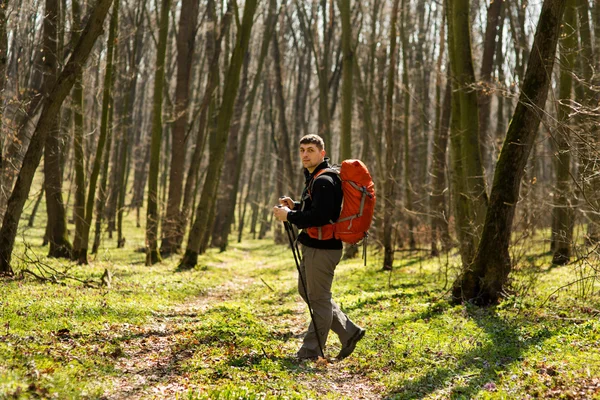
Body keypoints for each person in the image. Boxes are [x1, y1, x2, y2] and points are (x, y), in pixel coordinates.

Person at [273, 134, 365, 360]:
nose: (305, 154)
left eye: (311, 150)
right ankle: (349, 332)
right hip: (315, 245)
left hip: (323, 249)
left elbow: (321, 216)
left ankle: (309, 351)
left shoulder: (324, 180)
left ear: (321, 153)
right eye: (302, 149)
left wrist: (290, 216)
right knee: (307, 291)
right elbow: (320, 209)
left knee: (319, 300)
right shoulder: (318, 177)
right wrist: (296, 206)